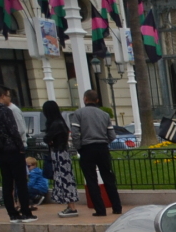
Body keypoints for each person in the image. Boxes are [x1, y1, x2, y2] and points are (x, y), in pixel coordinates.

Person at [0, 86, 35, 222]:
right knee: (21, 182)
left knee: (7, 183)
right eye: (8, 96)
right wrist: (21, 147)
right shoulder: (4, 111)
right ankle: (26, 212)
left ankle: (12, 213)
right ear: (3, 96)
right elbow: (13, 130)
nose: (9, 98)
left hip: (0, 150)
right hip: (13, 150)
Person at [71, 89, 122, 217]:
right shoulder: (104, 115)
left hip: (87, 148)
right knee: (108, 177)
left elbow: (75, 134)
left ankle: (100, 210)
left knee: (91, 179)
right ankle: (117, 207)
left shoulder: (78, 113)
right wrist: (104, 142)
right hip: (102, 148)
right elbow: (112, 135)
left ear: (85, 99)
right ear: (97, 100)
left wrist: (79, 147)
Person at [42, 100, 79, 217]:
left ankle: (71, 207)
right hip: (63, 152)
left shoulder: (55, 124)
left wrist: (50, 141)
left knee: (64, 180)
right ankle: (70, 205)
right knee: (66, 179)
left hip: (59, 154)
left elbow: (47, 138)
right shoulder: (61, 123)